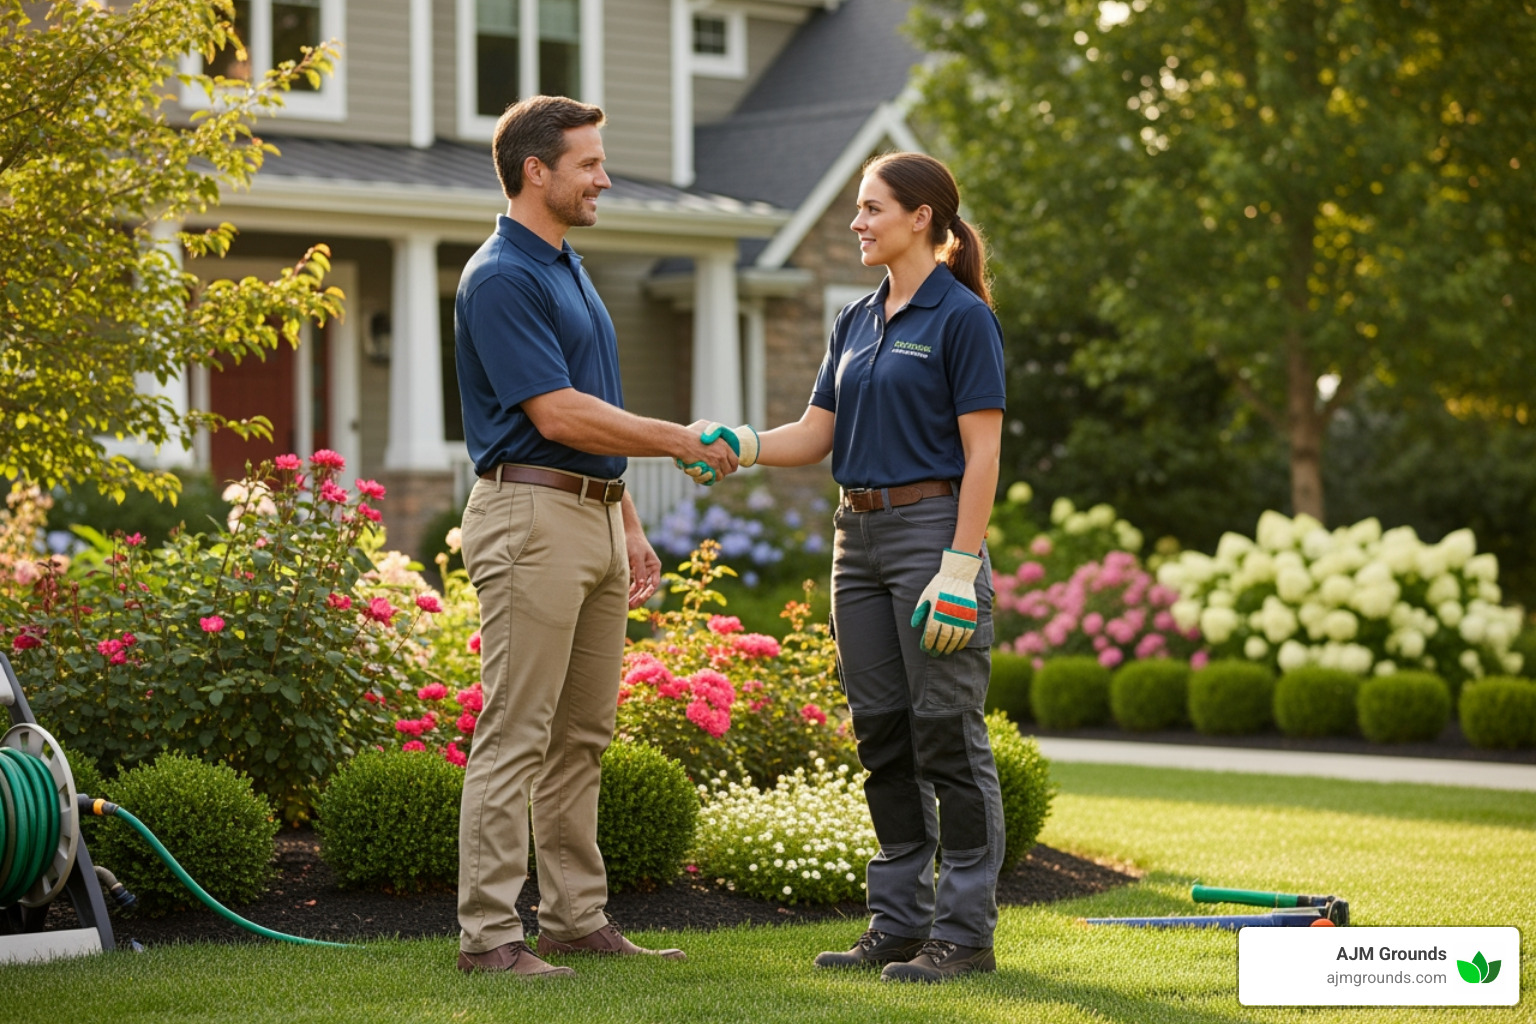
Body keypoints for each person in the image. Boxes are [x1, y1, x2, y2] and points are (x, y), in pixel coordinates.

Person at [698, 152, 1006, 982]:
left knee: (946, 728)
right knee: (882, 734)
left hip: (931, 534)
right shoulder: (855, 319)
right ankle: (899, 923)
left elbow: (983, 457)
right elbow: (815, 432)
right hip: (856, 541)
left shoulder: (961, 318)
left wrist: (958, 567)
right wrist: (745, 445)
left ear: (920, 218)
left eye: (871, 209)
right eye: (857, 209)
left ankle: (964, 933)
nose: (857, 223)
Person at [453, 94, 738, 978]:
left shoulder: (566, 266)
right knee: (517, 730)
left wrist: (631, 522)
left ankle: (575, 918)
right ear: (535, 171)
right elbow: (558, 413)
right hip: (529, 515)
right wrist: (680, 439)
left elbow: (590, 419)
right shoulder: (502, 275)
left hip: (590, 514)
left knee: (581, 735)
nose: (604, 178)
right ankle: (490, 937)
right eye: (588, 164)